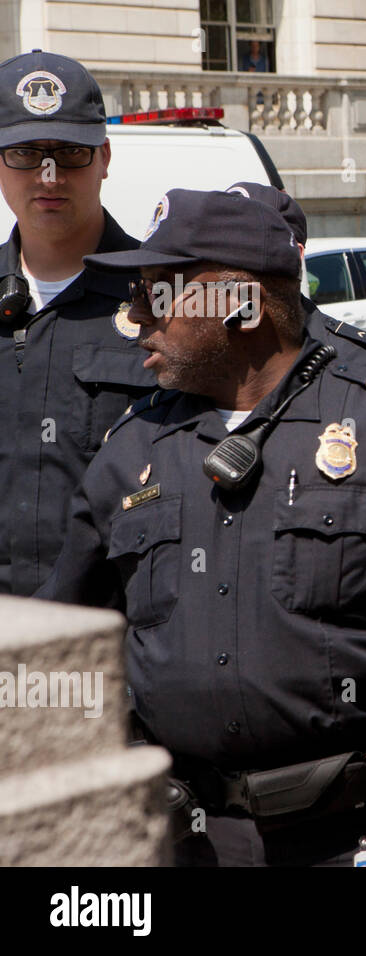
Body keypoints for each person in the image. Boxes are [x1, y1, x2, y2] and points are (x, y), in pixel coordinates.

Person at [38, 188, 366, 867]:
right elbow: (59, 638)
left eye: (159, 294)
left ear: (241, 305)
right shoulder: (132, 451)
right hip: (196, 838)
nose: (133, 316)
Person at [0, 49, 154, 596]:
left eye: (70, 152)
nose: (49, 175)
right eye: (24, 153)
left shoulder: (164, 304)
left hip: (111, 648)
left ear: (105, 157)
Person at [226, 180, 366, 373]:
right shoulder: (199, 348)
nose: (228, 258)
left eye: (245, 244)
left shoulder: (357, 357)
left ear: (294, 256)